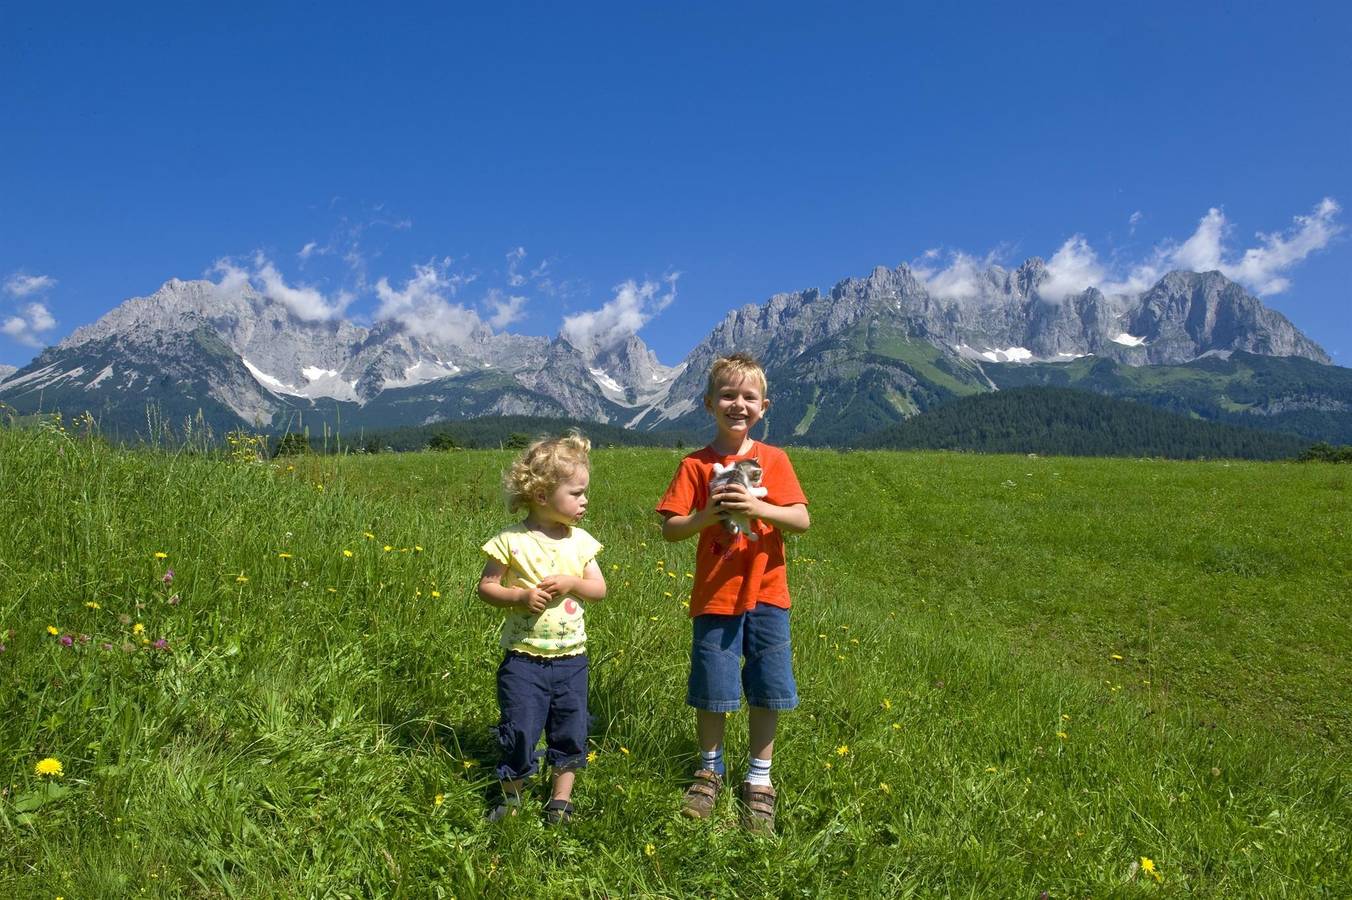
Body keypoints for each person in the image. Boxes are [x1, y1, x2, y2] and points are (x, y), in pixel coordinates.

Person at [655, 353, 810, 833]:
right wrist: (707, 516)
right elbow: (670, 528)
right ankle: (709, 772)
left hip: (768, 594)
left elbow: (801, 519)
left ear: (764, 407)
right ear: (709, 404)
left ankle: (759, 779)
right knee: (713, 688)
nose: (737, 404)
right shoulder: (695, 464)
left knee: (769, 687)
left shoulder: (774, 460)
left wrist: (757, 506)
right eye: (727, 395)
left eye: (748, 397)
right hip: (716, 596)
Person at [476, 431, 606, 823]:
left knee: (570, 728)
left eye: (585, 492)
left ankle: (561, 801)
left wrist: (572, 583)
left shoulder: (581, 542)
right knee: (519, 727)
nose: (584, 500)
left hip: (571, 659)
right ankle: (512, 797)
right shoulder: (510, 541)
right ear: (542, 496)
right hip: (524, 659)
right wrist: (518, 596)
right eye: (576, 493)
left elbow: (599, 590)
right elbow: (486, 587)